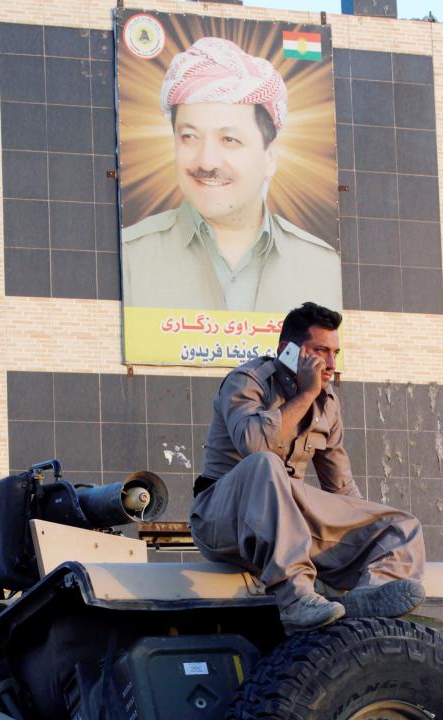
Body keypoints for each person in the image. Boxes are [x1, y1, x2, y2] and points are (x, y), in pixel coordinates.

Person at [189, 302, 426, 633]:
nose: (330, 364)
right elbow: (254, 444)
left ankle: (367, 598)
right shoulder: (247, 381)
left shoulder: (327, 404)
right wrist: (306, 393)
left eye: (335, 352)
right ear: (288, 351)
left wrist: (362, 528)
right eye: (320, 351)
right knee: (265, 464)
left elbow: (341, 489)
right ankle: (296, 599)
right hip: (223, 518)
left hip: (287, 521)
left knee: (401, 525)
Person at [122, 36, 342, 313]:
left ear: (270, 157)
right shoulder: (130, 255)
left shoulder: (321, 265)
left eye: (229, 140)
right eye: (189, 136)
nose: (207, 160)